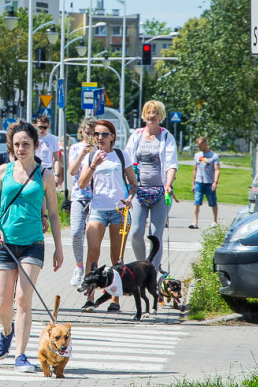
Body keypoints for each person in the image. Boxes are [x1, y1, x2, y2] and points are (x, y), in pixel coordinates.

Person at [0, 121, 63, 372]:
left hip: (33, 243)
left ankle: (20, 355)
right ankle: (7, 330)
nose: (21, 148)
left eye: (26, 144)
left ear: (36, 146)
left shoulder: (45, 175)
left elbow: (53, 213)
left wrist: (59, 248)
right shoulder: (2, 171)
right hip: (4, 243)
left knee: (23, 300)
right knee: (2, 303)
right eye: (17, 144)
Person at [78, 119, 137, 312]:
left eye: (104, 134)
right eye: (96, 134)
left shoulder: (121, 155)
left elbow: (133, 184)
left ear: (112, 136)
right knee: (92, 252)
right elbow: (81, 184)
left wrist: (129, 198)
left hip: (120, 211)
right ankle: (89, 297)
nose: (100, 138)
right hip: (98, 210)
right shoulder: (91, 157)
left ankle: (115, 300)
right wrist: (93, 164)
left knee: (116, 257)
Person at [125, 100, 178, 270]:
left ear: (160, 116)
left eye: (155, 113)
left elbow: (171, 163)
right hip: (139, 191)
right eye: (148, 112)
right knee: (135, 232)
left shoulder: (167, 136)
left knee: (155, 234)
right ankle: (143, 266)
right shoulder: (136, 136)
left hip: (161, 191)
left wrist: (168, 184)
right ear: (144, 115)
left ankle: (154, 270)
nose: (151, 116)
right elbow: (128, 161)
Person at [67, 117, 97, 287]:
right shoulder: (76, 148)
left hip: (96, 197)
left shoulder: (101, 149)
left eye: (94, 133)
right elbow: (72, 171)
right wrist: (83, 153)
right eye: (87, 133)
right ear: (82, 132)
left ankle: (90, 271)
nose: (90, 137)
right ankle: (79, 266)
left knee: (93, 237)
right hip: (79, 196)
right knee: (76, 232)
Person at [190, 136, 220, 229]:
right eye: (198, 146)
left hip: (209, 182)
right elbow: (195, 169)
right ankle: (195, 222)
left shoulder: (214, 156)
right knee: (197, 201)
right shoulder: (197, 155)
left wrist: (215, 182)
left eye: (200, 146)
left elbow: (217, 169)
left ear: (205, 144)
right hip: (199, 182)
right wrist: (193, 183)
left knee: (212, 202)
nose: (199, 148)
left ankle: (215, 221)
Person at [33, 115, 63, 187]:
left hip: (48, 170)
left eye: (45, 127)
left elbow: (56, 159)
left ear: (48, 127)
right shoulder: (33, 138)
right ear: (36, 125)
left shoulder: (53, 138)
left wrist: (56, 175)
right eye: (40, 127)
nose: (42, 130)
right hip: (34, 171)